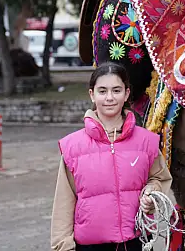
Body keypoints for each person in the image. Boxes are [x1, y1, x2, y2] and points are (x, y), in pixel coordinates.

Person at [51, 62, 172, 251]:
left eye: (116, 90)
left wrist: (151, 192)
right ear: (92, 94)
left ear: (126, 94)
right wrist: (63, 246)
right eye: (102, 91)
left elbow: (159, 177)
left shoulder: (146, 141)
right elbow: (63, 202)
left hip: (135, 243)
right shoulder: (72, 146)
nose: (109, 98)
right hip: (90, 246)